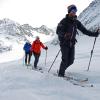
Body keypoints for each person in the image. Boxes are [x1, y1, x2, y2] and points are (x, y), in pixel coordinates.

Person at [56, 4, 100, 77]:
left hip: (72, 44)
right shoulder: (64, 21)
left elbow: (85, 31)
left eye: (75, 11)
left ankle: (62, 70)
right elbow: (58, 31)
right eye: (73, 11)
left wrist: (95, 34)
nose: (74, 12)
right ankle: (61, 74)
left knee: (71, 61)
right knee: (65, 60)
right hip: (64, 43)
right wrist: (64, 35)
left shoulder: (76, 22)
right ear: (69, 11)